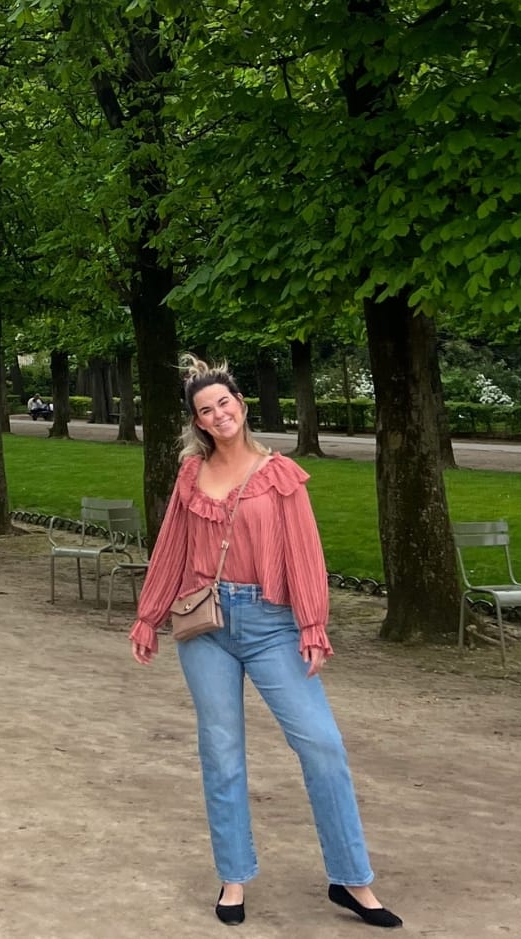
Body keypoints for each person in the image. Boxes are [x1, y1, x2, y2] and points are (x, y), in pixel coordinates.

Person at [130, 357, 401, 930]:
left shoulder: (279, 474)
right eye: (206, 411)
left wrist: (312, 624)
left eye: (223, 403)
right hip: (205, 628)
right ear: (198, 422)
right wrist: (147, 616)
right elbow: (172, 547)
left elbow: (305, 550)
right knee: (222, 753)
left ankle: (351, 879)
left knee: (322, 745)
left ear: (241, 404)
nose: (217, 415)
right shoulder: (189, 476)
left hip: (272, 623)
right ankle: (234, 877)